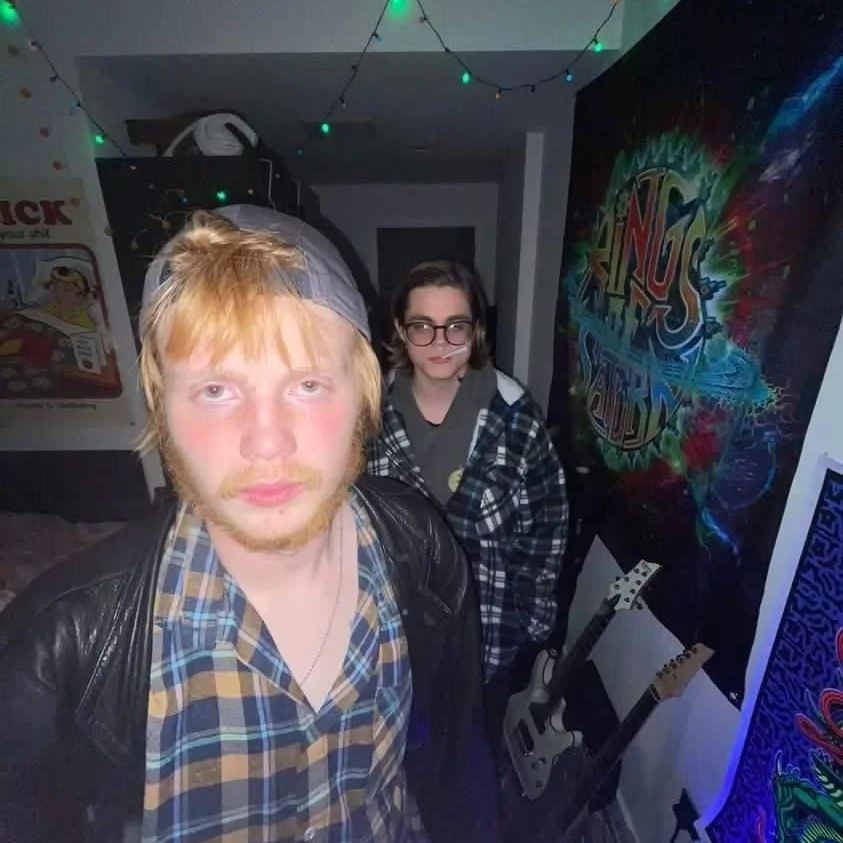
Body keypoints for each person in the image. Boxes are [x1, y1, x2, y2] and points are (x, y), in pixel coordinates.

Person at [0, 207, 497, 843]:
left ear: (364, 393)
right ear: (162, 408)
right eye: (216, 390)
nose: (266, 442)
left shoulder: (419, 544)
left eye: (308, 384)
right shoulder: (57, 653)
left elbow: (458, 762)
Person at [366, 261, 568, 752]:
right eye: (423, 326)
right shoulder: (368, 415)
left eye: (455, 326)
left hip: (489, 637)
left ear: (474, 328)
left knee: (474, 756)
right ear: (401, 330)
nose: (440, 342)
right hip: (396, 643)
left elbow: (548, 522)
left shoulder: (513, 416)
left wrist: (529, 618)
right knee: (410, 760)